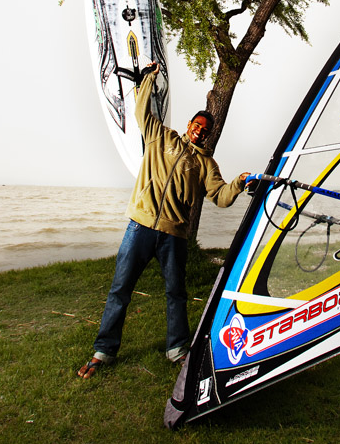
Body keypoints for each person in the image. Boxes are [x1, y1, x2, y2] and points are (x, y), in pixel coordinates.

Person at [77, 62, 249, 378]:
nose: (200, 131)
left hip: (174, 235)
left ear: (209, 134)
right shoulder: (161, 136)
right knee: (120, 289)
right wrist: (148, 79)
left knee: (176, 293)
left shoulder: (206, 164)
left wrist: (238, 183)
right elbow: (141, 112)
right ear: (189, 124)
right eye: (197, 125)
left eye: (206, 129)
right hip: (139, 226)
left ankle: (177, 349)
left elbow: (221, 196)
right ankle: (104, 351)